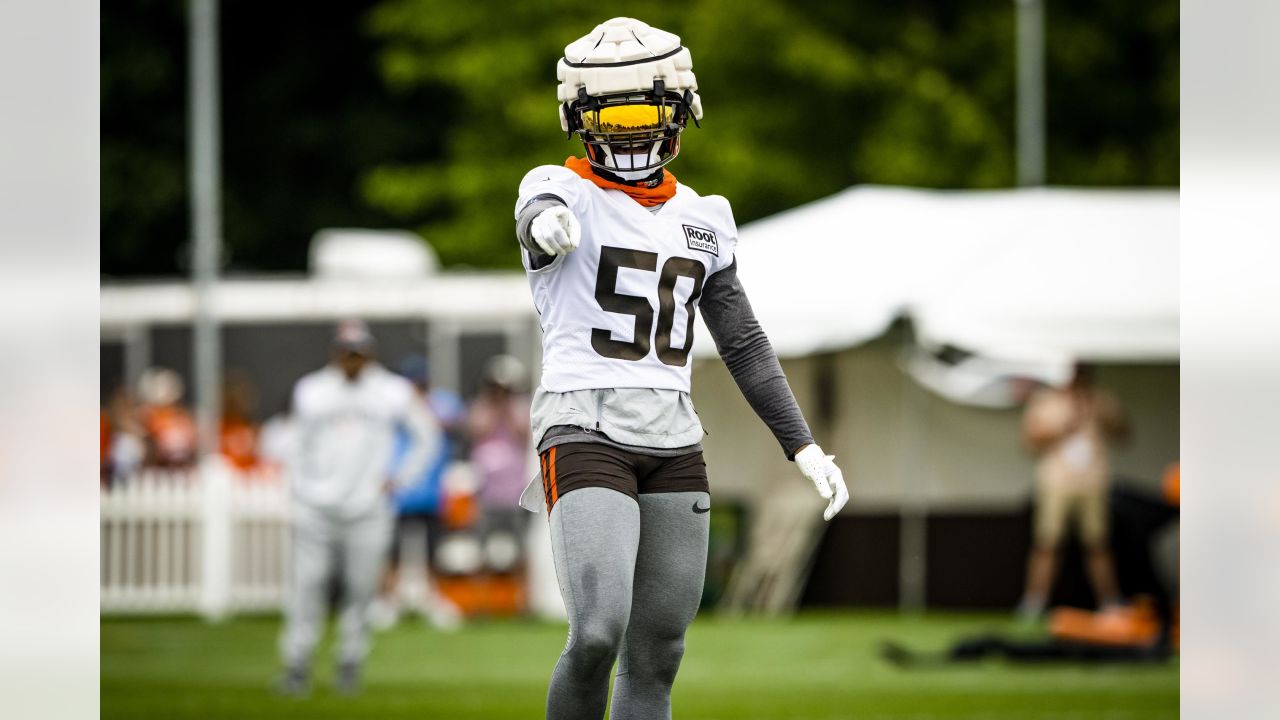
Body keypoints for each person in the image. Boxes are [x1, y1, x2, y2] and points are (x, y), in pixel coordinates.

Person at [513, 18, 849, 719]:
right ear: (580, 120)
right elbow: (537, 212)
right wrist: (542, 226)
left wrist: (803, 443)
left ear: (680, 111)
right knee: (598, 631)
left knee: (659, 651)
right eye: (615, 119)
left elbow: (744, 342)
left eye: (646, 117)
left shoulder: (707, 216)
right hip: (586, 426)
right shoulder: (558, 189)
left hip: (673, 437)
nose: (633, 135)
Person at [276, 320, 434, 695]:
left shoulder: (391, 391)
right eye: (347, 354)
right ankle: (297, 663)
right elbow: (294, 443)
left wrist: (401, 477)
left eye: (358, 354)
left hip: (368, 506)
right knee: (307, 586)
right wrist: (300, 487)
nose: (352, 362)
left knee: (362, 590)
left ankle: (350, 662)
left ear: (370, 353)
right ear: (335, 353)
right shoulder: (312, 390)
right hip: (318, 505)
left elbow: (426, 435)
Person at [1017, 364, 1129, 621]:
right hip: (1056, 482)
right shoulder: (1045, 401)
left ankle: (1109, 602)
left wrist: (1101, 415)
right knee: (1047, 543)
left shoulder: (1101, 399)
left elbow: (1123, 432)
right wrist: (1065, 426)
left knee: (1098, 544)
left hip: (1093, 482)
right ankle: (1034, 603)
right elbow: (1030, 442)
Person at [370, 354, 466, 630]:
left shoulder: (440, 404)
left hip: (431, 492)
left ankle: (434, 600)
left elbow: (452, 420)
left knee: (432, 553)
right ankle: (387, 602)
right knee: (393, 553)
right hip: (400, 491)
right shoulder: (394, 408)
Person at [467, 354, 533, 601]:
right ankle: (480, 601)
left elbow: (522, 432)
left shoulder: (522, 407)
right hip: (487, 491)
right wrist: (494, 406)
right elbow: (477, 429)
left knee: (521, 550)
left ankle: (522, 601)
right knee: (481, 550)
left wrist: (508, 406)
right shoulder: (481, 406)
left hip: (516, 492)